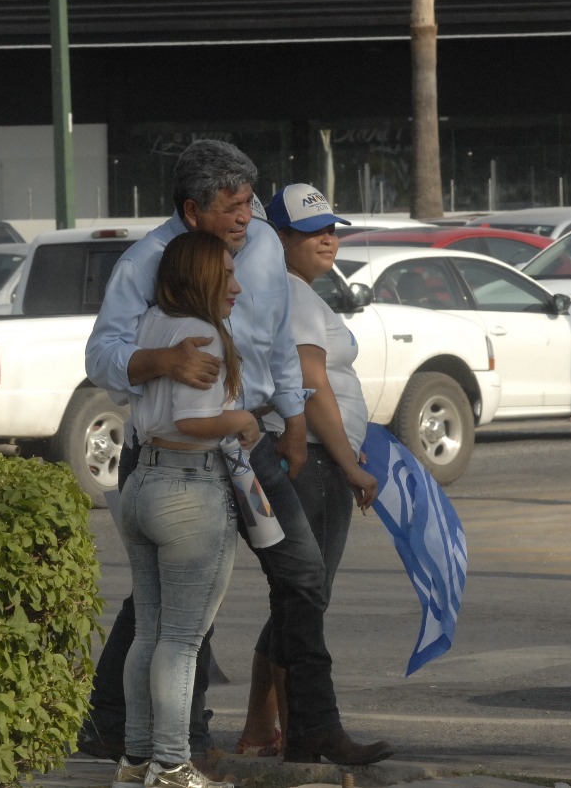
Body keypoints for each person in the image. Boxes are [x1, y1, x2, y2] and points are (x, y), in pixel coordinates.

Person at [84, 139, 394, 768]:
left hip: (253, 441)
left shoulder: (257, 254)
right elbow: (101, 357)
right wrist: (161, 362)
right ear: (192, 209)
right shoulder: (146, 261)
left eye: (250, 204)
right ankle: (156, 739)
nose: (245, 219)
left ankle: (312, 728)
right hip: (173, 453)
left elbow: (280, 340)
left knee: (301, 576)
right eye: (230, 208)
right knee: (173, 604)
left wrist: (296, 421)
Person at [233, 183, 379, 757]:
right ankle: (296, 735)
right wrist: (349, 464)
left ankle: (265, 731)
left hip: (319, 457)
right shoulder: (289, 294)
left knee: (295, 600)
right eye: (312, 230)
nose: (329, 238)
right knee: (304, 598)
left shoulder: (302, 294)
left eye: (333, 228)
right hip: (310, 460)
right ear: (279, 237)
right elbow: (310, 384)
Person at [113, 231, 255, 788]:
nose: (237, 288)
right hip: (188, 488)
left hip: (141, 481)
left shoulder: (152, 326)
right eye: (227, 275)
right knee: (181, 639)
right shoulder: (204, 337)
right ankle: (172, 766)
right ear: (199, 278)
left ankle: (136, 760)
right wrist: (243, 422)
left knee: (148, 633)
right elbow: (195, 422)